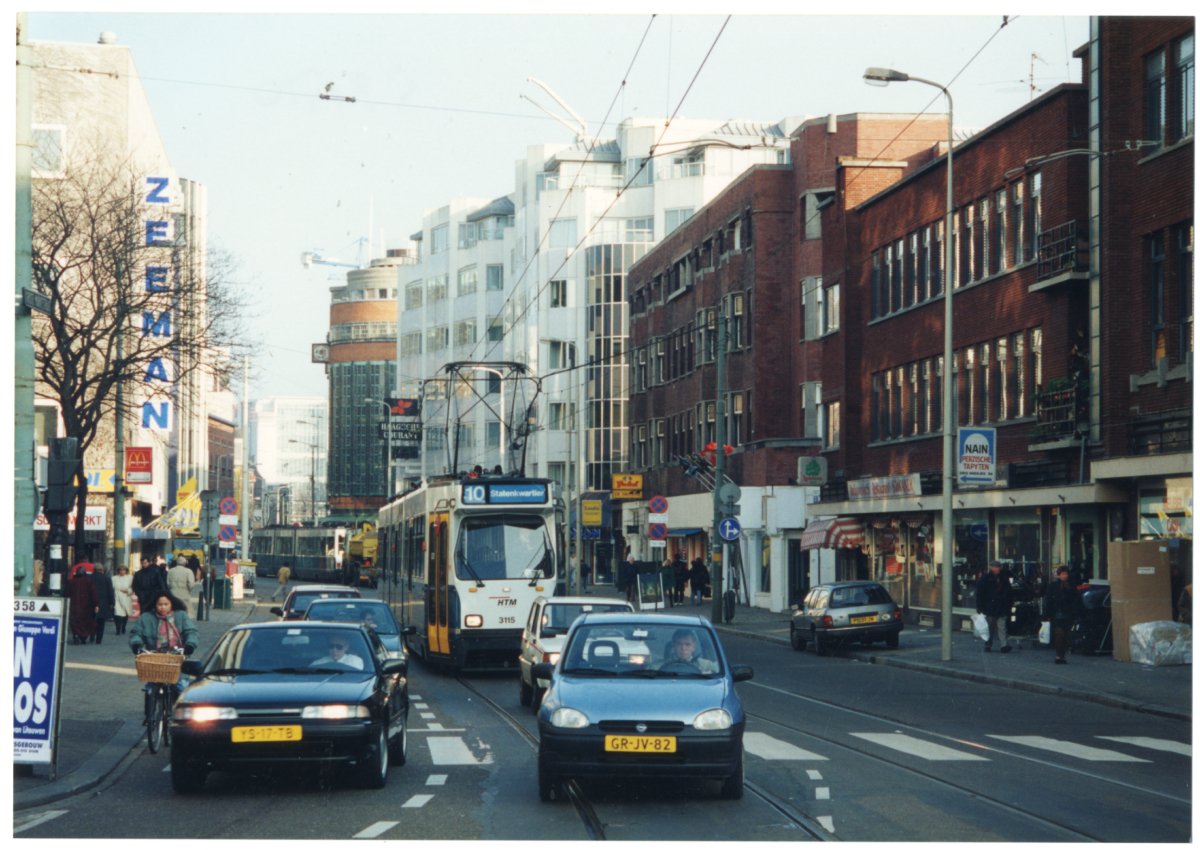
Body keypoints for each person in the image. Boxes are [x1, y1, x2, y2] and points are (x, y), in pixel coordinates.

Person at [128, 591, 199, 723]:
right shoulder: (146, 618)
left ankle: (180, 717)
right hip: (155, 659)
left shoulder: (181, 616)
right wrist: (136, 644)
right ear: (155, 605)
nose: (163, 607)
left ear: (172, 604)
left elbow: (192, 632)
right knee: (150, 688)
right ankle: (149, 716)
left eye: (166, 604)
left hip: (177, 658)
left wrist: (190, 645)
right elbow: (136, 633)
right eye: (159, 604)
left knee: (181, 687)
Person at [1042, 565, 1080, 664]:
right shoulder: (1053, 586)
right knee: (1059, 634)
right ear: (1058, 575)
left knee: (1066, 636)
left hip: (1068, 615)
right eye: (1062, 574)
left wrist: (1070, 590)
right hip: (1056, 614)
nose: (1065, 576)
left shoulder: (1071, 585)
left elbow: (1076, 600)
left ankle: (1062, 655)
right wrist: (1047, 616)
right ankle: (1058, 656)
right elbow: (1049, 601)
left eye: (1066, 574)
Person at [975, 560, 1013, 653]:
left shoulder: (1004, 578)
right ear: (991, 568)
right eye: (996, 567)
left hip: (1001, 607)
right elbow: (980, 593)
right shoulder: (985, 579)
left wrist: (1009, 605)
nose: (998, 568)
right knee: (990, 628)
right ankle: (988, 645)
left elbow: (1009, 593)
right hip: (990, 608)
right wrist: (979, 606)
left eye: (999, 567)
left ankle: (1003, 645)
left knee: (1002, 627)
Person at [66, 562, 98, 645]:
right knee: (85, 622)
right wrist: (96, 604)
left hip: (74, 605)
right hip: (86, 606)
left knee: (75, 621)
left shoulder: (71, 582)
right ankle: (83, 637)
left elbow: (66, 593)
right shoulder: (89, 581)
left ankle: (76, 636)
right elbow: (93, 593)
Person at [91, 564, 115, 644]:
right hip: (104, 602)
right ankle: (99, 639)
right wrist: (112, 602)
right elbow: (110, 591)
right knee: (101, 621)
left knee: (92, 619)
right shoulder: (107, 578)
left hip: (92, 602)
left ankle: (92, 636)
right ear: (102, 570)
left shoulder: (90, 577)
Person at [112, 563, 134, 635]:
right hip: (117, 597)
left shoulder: (130, 578)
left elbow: (132, 587)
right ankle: (118, 628)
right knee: (117, 613)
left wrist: (128, 591)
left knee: (124, 614)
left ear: (126, 571)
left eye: (123, 570)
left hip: (125, 597)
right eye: (120, 570)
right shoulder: (114, 578)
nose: (122, 571)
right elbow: (112, 588)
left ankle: (123, 625)